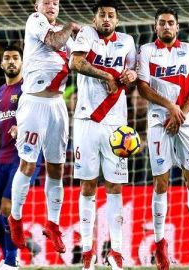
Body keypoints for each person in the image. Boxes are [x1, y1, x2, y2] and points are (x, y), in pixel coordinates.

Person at [136, 7, 189, 269]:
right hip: (158, 120)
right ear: (155, 27)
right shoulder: (146, 51)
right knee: (161, 181)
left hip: (185, 120)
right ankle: (160, 244)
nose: (166, 27)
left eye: (170, 23)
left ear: (178, 27)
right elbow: (142, 87)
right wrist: (170, 107)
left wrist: (180, 113)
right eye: (161, 23)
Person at [68, 0, 137, 269]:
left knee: (115, 187)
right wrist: (107, 75)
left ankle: (116, 251)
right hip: (86, 119)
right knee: (87, 185)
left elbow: (131, 73)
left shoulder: (128, 41)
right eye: (102, 15)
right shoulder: (86, 34)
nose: (106, 19)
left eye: (111, 15)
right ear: (94, 19)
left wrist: (129, 76)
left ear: (117, 20)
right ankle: (88, 251)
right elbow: (75, 62)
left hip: (117, 125)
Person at [7, 0, 80, 254]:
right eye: (46, 1)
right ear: (36, 5)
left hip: (57, 105)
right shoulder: (35, 21)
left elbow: (79, 59)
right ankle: (15, 219)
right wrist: (72, 27)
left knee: (57, 167)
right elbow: (54, 42)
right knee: (28, 164)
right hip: (34, 103)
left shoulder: (66, 36)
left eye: (56, 2)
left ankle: (53, 224)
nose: (52, 5)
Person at [0, 45, 41, 270]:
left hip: (24, 156)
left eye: (16, 58)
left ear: (22, 63)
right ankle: (9, 252)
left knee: (7, 207)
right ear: (1, 64)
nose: (12, 61)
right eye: (7, 58)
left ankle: (11, 262)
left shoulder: (29, 89)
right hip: (2, 159)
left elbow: (39, 120)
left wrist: (22, 129)